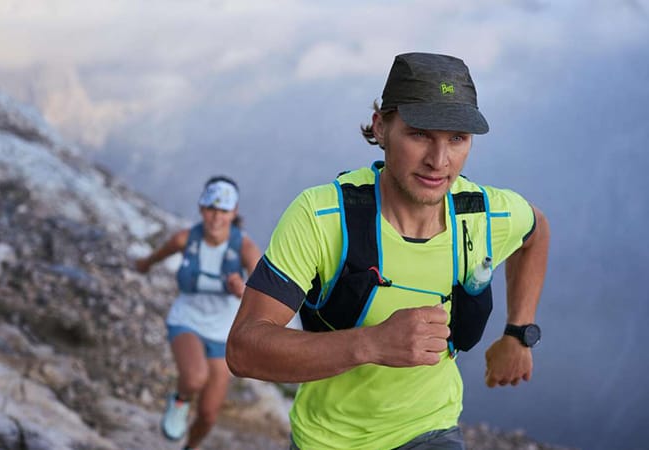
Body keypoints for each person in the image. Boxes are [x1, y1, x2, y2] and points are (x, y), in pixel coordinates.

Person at [226, 52, 550, 450]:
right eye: (419, 134)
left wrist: (519, 333)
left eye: (457, 139)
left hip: (431, 430)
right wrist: (372, 344)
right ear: (381, 128)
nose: (439, 161)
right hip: (327, 440)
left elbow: (536, 231)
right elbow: (243, 349)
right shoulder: (324, 216)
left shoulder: (483, 214)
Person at [136, 176, 261, 450]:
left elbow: (261, 285)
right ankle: (180, 400)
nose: (216, 218)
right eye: (210, 209)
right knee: (194, 377)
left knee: (208, 414)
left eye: (224, 211)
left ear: (234, 212)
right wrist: (143, 264)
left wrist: (243, 290)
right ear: (201, 208)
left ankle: (190, 447)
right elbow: (156, 256)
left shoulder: (244, 247)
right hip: (187, 322)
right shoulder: (185, 239)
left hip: (223, 333)